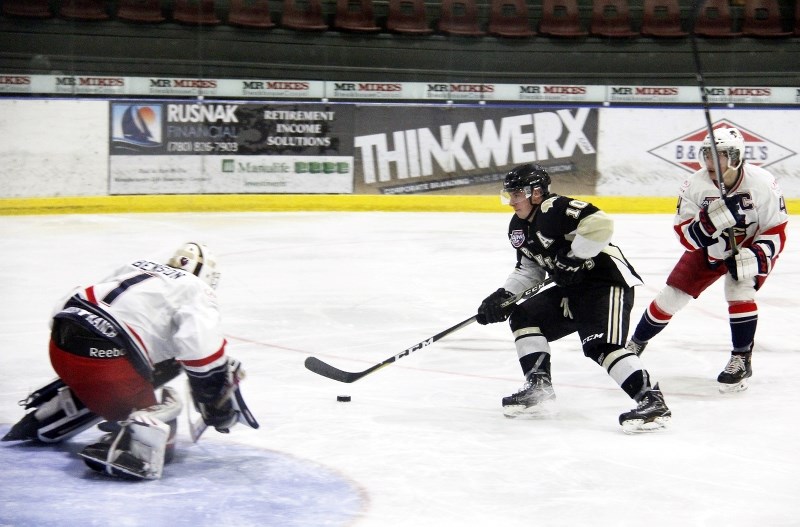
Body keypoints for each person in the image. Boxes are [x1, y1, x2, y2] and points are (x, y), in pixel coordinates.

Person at [2, 242, 258, 479]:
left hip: (59, 346)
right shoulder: (197, 289)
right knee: (164, 440)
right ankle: (130, 439)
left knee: (161, 354)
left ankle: (67, 407)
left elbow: (82, 306)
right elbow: (201, 353)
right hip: (106, 366)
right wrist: (214, 402)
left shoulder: (137, 266)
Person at [476, 163, 671, 433]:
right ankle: (539, 389)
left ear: (536, 192)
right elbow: (529, 268)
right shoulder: (519, 227)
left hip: (606, 283)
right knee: (524, 317)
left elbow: (600, 223)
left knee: (601, 346)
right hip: (573, 290)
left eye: (517, 194)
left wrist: (575, 255)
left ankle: (652, 401)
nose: (511, 201)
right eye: (509, 194)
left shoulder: (554, 209)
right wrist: (504, 296)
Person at [625, 127, 789, 393]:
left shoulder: (762, 182)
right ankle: (636, 342)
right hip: (709, 249)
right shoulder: (695, 184)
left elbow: (776, 229)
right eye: (707, 156)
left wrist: (757, 256)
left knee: (740, 290)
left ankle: (741, 358)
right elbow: (685, 237)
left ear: (735, 157)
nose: (712, 163)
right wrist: (709, 222)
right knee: (671, 297)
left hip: (747, 248)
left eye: (719, 156)